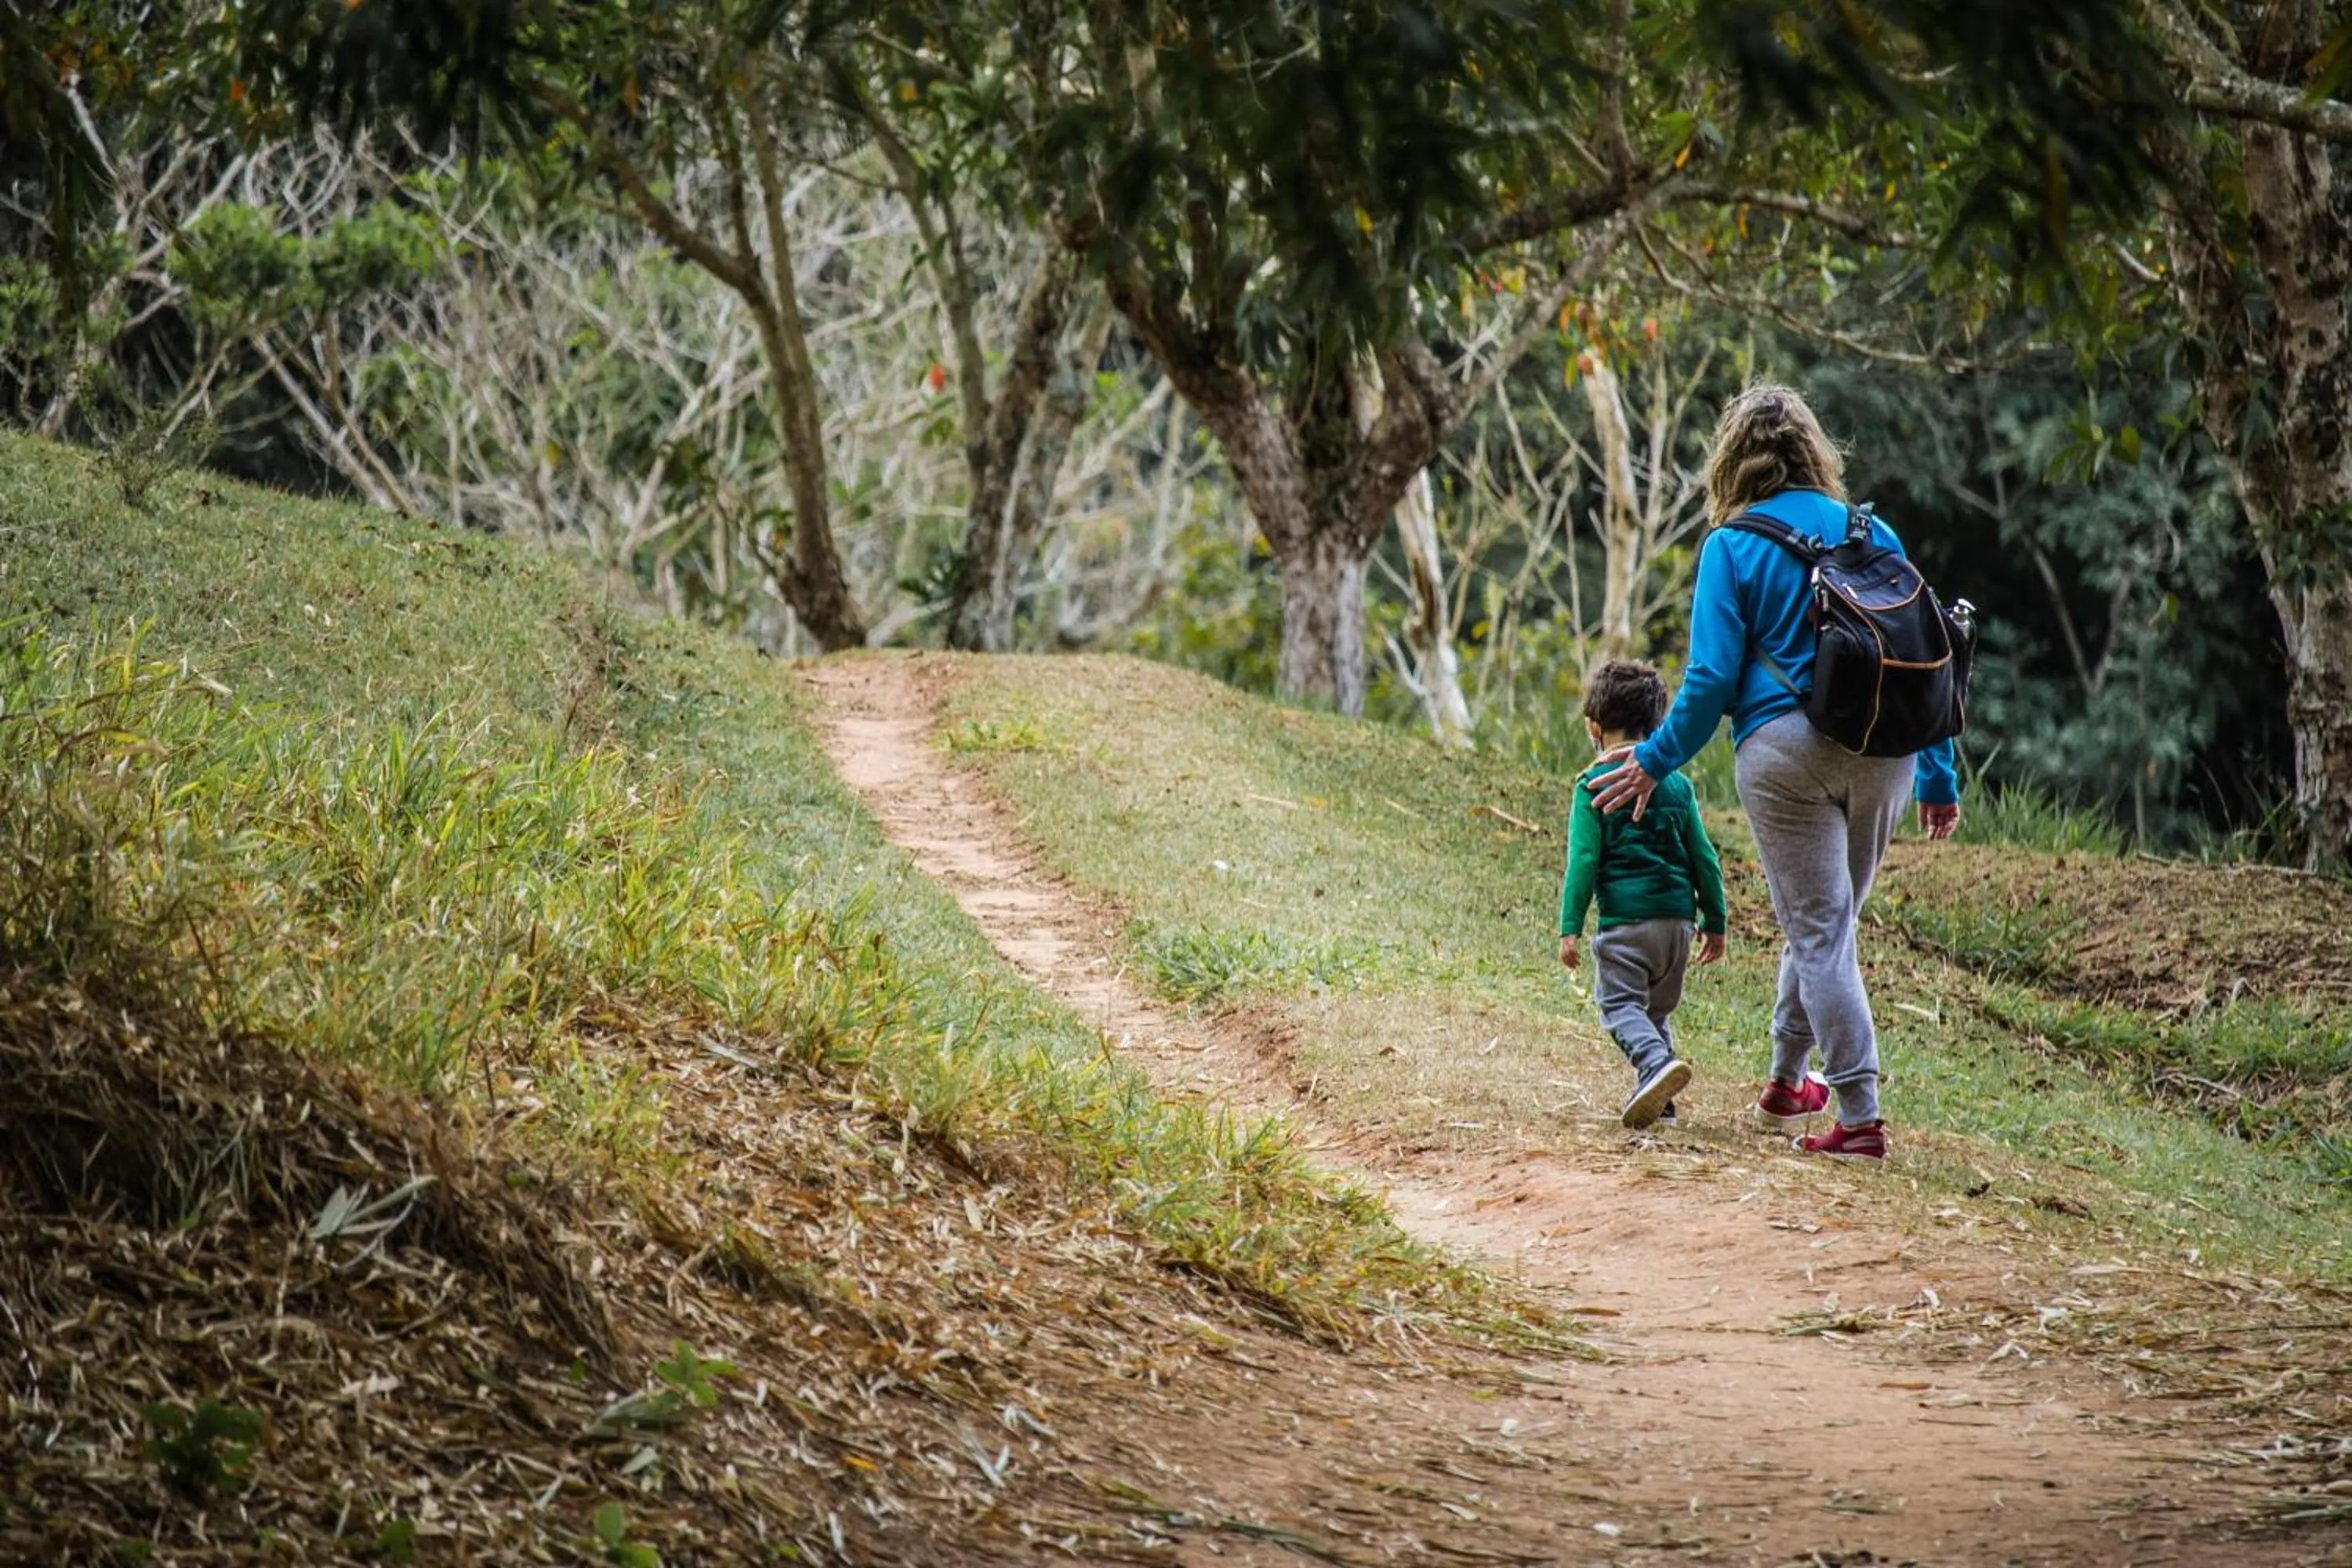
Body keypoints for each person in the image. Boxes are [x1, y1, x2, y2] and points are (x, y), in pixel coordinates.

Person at [1588, 383, 1961, 1164]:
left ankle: (1859, 1115)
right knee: (1824, 921)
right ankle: (1790, 1081)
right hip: (1887, 750)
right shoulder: (1873, 530)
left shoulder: (1731, 545)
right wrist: (1938, 772)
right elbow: (1923, 655)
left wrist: (1652, 761)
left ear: (1730, 458)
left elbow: (1712, 681)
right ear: (1817, 451)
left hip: (1785, 755)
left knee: (1819, 927)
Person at [1559, 659, 1729, 1131]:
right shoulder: (1677, 785)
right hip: (1678, 927)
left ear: (1594, 727)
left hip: (1627, 927)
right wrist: (1715, 920)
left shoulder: (1591, 784)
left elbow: (1585, 861)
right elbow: (1704, 857)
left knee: (1619, 1007)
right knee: (1653, 1011)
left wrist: (1570, 927)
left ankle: (1654, 1066)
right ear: (1657, 726)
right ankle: (1663, 1104)